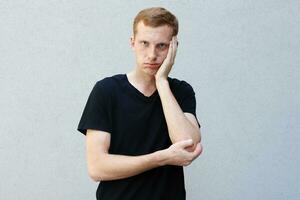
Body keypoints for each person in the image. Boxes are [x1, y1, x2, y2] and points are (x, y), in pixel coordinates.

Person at [77, 7, 203, 200]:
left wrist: (161, 82)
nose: (152, 55)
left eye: (161, 46)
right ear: (132, 43)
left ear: (173, 47)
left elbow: (188, 145)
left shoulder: (181, 91)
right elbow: (97, 167)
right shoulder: (106, 91)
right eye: (145, 43)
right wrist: (161, 158)